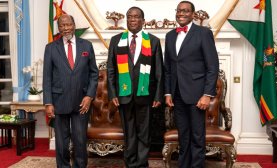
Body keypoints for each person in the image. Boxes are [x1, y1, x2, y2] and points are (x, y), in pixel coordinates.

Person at [164, 1, 219, 168]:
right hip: (177, 95)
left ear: (193, 14)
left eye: (186, 11)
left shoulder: (203, 33)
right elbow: (168, 67)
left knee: (197, 137)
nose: (181, 13)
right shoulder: (170, 35)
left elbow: (212, 67)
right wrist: (168, 92)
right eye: (179, 11)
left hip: (197, 95)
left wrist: (207, 94)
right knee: (184, 136)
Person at [107, 6, 164, 168]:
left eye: (136, 16)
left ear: (143, 21)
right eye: (129, 17)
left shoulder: (153, 41)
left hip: (145, 95)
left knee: (144, 133)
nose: (132, 19)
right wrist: (112, 94)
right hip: (124, 94)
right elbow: (111, 69)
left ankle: (142, 163)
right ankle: (130, 163)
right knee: (129, 133)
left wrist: (158, 95)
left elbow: (159, 71)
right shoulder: (116, 40)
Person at [43, 14, 98, 168]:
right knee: (61, 143)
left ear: (74, 25)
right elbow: (47, 77)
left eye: (68, 25)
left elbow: (94, 73)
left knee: (80, 140)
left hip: (82, 102)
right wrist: (48, 102)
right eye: (62, 25)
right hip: (59, 101)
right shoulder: (51, 48)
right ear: (58, 28)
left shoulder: (86, 46)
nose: (65, 28)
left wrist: (89, 96)